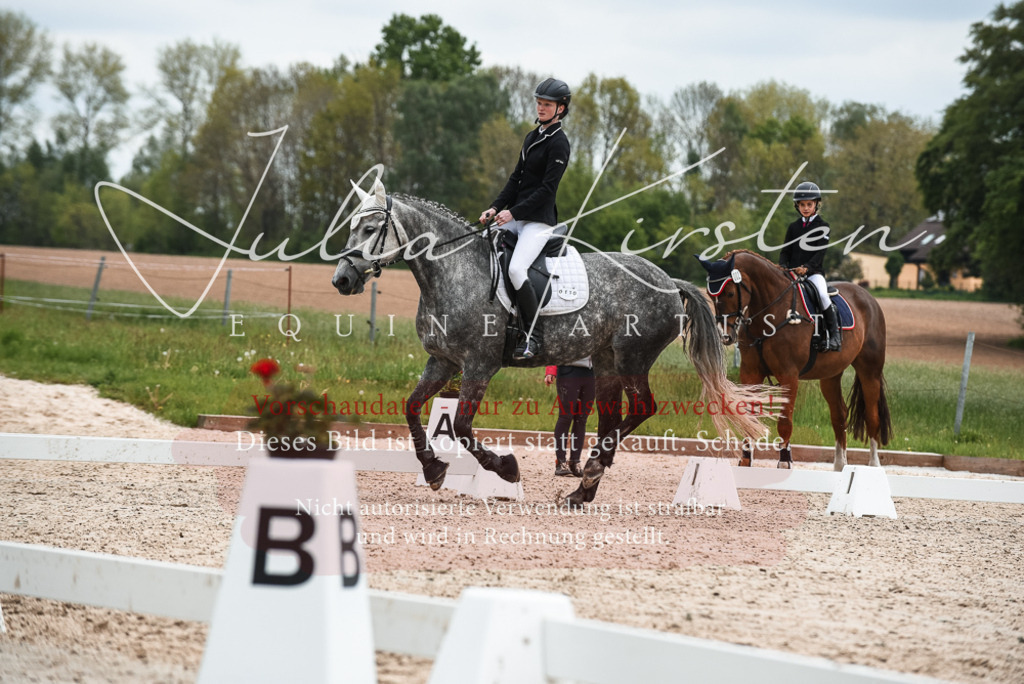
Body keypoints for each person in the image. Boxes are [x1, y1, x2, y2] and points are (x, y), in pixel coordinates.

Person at [479, 78, 572, 360]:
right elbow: (515, 179)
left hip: (538, 222)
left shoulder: (559, 143)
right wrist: (495, 207)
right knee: (480, 249)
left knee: (517, 269)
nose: (541, 108)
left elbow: (547, 190)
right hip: (515, 216)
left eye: (547, 104)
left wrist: (514, 212)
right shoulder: (532, 137)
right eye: (539, 102)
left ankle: (533, 336)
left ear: (561, 108)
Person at [779, 181, 841, 352]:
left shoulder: (823, 226)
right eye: (802, 205)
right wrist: (783, 266)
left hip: (813, 273)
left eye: (809, 204)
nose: (805, 208)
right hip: (792, 274)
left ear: (816, 204)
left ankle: (834, 336)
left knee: (822, 295)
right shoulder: (793, 227)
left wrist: (806, 267)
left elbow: (820, 253)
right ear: (797, 206)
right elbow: (785, 251)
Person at [544, 359, 595, 477]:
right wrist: (551, 370)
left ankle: (575, 462)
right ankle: (560, 462)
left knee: (581, 419)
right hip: (568, 369)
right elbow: (555, 344)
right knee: (565, 417)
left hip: (591, 372)